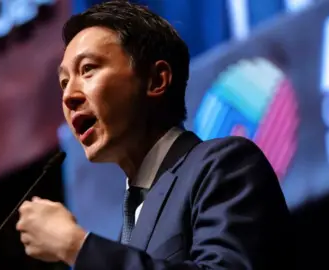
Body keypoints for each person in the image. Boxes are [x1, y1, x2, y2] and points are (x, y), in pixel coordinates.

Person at [15, 1, 294, 269]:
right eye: (64, 83)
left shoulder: (224, 166)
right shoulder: (124, 232)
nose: (69, 97)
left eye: (88, 69)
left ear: (156, 80)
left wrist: (75, 246)